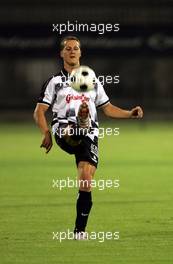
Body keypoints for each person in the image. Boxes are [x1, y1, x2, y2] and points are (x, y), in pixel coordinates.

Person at [33, 36, 143, 240]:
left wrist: (130, 114)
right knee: (71, 129)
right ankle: (80, 123)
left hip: (90, 135)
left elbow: (108, 109)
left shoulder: (93, 82)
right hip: (62, 130)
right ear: (62, 54)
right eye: (68, 49)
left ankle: (79, 231)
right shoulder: (54, 82)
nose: (72, 51)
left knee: (86, 180)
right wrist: (45, 132)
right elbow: (39, 112)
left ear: (81, 53)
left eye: (76, 48)